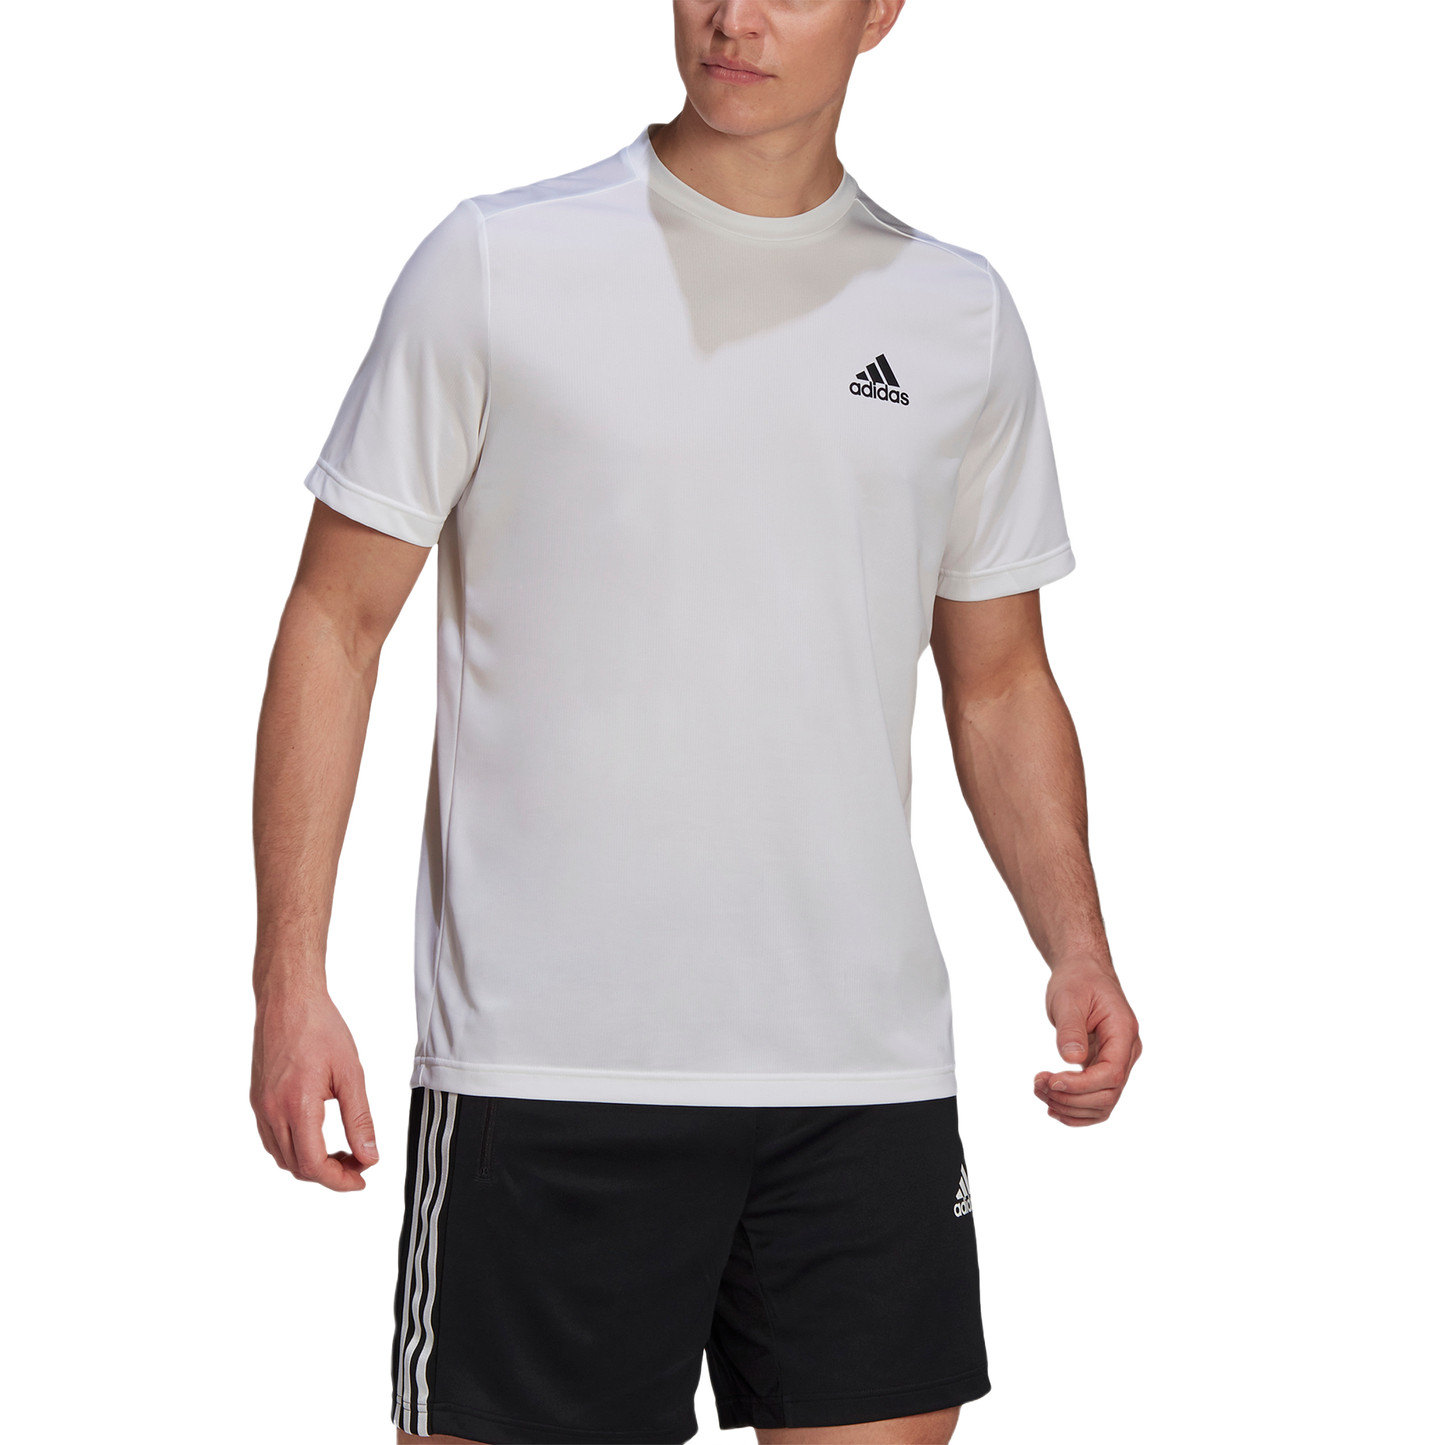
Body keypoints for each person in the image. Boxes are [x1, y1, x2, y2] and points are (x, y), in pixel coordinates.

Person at [246, 2, 1145, 1441]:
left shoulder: (959, 308)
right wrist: (290, 978)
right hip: (548, 1066)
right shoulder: (497, 257)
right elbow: (336, 621)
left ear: (883, 12)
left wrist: (1077, 945)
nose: (735, 16)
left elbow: (997, 675)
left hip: (861, 1076)